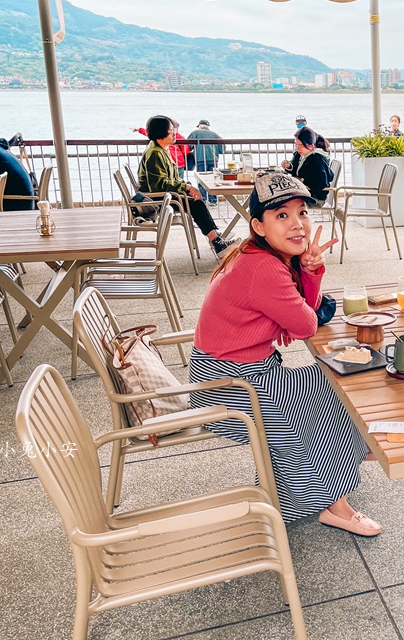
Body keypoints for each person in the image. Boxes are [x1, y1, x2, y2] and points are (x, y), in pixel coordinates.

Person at [187, 173, 380, 535]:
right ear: (258, 226)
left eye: (302, 212)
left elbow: (304, 313)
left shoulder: (255, 255)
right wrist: (310, 272)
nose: (298, 224)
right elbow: (307, 324)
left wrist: (308, 270)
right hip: (226, 386)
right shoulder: (262, 267)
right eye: (281, 216)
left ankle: (345, 457)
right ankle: (332, 501)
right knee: (325, 385)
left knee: (324, 380)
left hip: (231, 370)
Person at [136, 115, 234, 258]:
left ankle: (215, 237)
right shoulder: (155, 154)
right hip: (158, 200)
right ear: (160, 135)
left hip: (165, 196)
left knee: (195, 199)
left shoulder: (161, 149)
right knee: (195, 203)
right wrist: (186, 188)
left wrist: (186, 186)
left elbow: (170, 180)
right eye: (171, 131)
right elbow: (158, 185)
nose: (174, 134)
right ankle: (216, 241)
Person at [287, 127, 331, 204]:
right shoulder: (304, 155)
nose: (298, 148)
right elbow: (296, 171)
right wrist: (289, 167)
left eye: (301, 145)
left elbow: (320, 183)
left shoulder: (317, 159)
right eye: (296, 145)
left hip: (315, 198)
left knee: (284, 202)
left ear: (311, 145)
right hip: (307, 194)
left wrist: (301, 181)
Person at [187, 119, 222, 205]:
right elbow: (222, 149)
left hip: (200, 159)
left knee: (201, 180)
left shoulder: (195, 133)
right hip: (213, 159)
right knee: (212, 180)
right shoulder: (215, 135)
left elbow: (188, 146)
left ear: (199, 126)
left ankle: (203, 199)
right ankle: (213, 200)